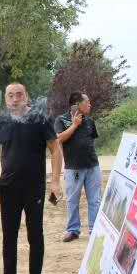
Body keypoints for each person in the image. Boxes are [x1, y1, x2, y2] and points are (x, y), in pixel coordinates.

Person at [0, 83, 63, 274]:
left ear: (26, 96)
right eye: (10, 95)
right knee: (9, 234)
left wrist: (55, 181)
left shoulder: (40, 119)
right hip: (8, 187)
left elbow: (55, 150)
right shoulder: (1, 121)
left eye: (19, 95)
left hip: (34, 187)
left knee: (35, 234)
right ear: (5, 99)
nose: (15, 99)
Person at [55, 92, 102, 242]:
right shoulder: (61, 120)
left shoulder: (90, 121)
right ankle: (73, 230)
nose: (90, 105)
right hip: (74, 168)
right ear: (77, 104)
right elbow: (58, 139)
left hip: (92, 166)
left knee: (95, 199)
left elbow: (91, 141)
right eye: (87, 102)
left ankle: (94, 229)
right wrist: (74, 125)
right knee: (73, 200)